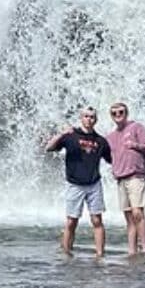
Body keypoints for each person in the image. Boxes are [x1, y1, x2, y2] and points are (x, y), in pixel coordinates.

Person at [44, 106, 113, 257]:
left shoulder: (100, 141)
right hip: (74, 184)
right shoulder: (70, 136)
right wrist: (61, 133)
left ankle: (100, 255)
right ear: (81, 118)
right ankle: (66, 252)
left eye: (92, 117)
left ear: (96, 120)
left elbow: (112, 160)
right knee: (71, 221)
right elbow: (49, 148)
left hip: (94, 184)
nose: (89, 119)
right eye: (86, 116)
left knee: (97, 220)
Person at [104, 102, 145, 256]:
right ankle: (132, 250)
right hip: (121, 178)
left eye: (121, 112)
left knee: (138, 212)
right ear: (111, 116)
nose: (118, 115)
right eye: (114, 113)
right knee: (129, 217)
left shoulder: (137, 127)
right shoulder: (110, 137)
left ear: (127, 113)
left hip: (136, 175)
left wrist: (135, 145)